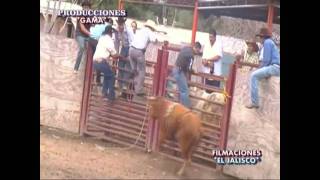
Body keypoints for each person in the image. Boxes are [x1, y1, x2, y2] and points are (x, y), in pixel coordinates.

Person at [245, 27, 280, 109]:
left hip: (274, 67)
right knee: (257, 74)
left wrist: (260, 70)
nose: (260, 39)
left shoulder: (267, 42)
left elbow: (266, 60)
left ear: (263, 37)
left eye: (260, 37)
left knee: (254, 76)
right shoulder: (270, 42)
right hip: (275, 67)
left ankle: (255, 102)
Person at [129, 20, 158, 96]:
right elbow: (154, 40)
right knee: (141, 71)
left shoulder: (141, 30)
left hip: (131, 49)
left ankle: (133, 87)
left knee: (134, 70)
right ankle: (139, 90)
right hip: (139, 51)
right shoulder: (149, 31)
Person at [93, 25, 120, 103]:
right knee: (111, 76)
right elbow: (113, 52)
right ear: (110, 32)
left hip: (95, 60)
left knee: (107, 75)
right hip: (101, 61)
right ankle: (110, 96)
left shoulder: (102, 38)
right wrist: (120, 56)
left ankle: (104, 93)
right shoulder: (109, 39)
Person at [172, 42, 202, 108]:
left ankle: (179, 105)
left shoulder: (185, 48)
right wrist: (194, 71)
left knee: (180, 89)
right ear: (196, 48)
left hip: (175, 69)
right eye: (198, 50)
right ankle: (185, 108)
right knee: (185, 91)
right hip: (179, 72)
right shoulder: (191, 55)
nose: (197, 52)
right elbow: (189, 68)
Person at [114, 17, 132, 98]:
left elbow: (132, 42)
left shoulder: (129, 31)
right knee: (120, 66)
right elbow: (117, 42)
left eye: (121, 24)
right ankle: (120, 84)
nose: (120, 26)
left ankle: (124, 84)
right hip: (124, 48)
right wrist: (116, 52)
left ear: (124, 24)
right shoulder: (117, 31)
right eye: (119, 24)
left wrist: (130, 54)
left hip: (130, 48)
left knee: (127, 67)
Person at [73, 1, 91, 73]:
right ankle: (76, 68)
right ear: (82, 8)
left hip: (87, 36)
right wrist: (92, 34)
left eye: (87, 7)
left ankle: (89, 69)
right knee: (82, 47)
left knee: (93, 47)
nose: (86, 9)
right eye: (84, 7)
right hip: (80, 34)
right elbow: (82, 28)